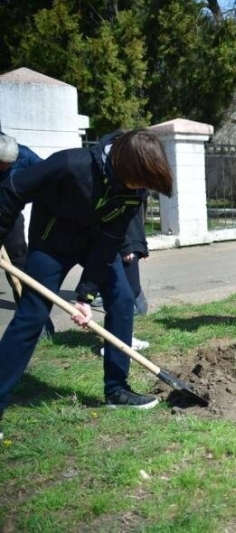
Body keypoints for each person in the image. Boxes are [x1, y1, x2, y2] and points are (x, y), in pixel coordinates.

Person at [0, 129, 174, 437]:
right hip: (51, 243)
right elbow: (14, 189)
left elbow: (110, 240)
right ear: (124, 165)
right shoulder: (69, 165)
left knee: (121, 299)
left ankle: (116, 390)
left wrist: (85, 295)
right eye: (141, 181)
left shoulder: (134, 191)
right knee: (33, 315)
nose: (142, 189)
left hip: (95, 245)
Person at [0, 133, 56, 339]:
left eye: (9, 164)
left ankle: (37, 322)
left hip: (11, 214)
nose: (5, 168)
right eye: (1, 164)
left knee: (19, 266)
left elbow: (46, 173)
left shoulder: (24, 155)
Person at [97, 205, 151, 355]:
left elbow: (137, 217)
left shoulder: (137, 188)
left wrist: (141, 245)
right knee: (120, 296)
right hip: (121, 244)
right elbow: (116, 216)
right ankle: (114, 344)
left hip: (132, 242)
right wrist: (125, 246)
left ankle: (126, 338)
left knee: (131, 291)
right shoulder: (119, 187)